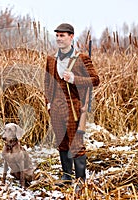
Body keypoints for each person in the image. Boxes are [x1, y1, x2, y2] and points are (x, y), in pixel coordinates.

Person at [44, 23, 99, 186]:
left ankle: (80, 180)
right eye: (57, 35)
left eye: (63, 35)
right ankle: (66, 177)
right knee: (62, 142)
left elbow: (95, 80)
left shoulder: (81, 58)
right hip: (56, 107)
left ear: (71, 37)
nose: (59, 38)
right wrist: (48, 103)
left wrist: (75, 79)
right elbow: (47, 82)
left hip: (74, 107)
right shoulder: (51, 59)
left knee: (76, 144)